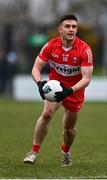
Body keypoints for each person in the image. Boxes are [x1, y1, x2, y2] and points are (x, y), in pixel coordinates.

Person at [23, 14, 94, 166]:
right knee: (47, 113)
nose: (71, 29)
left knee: (68, 129)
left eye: (74, 27)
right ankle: (33, 152)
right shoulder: (50, 45)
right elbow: (36, 67)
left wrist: (69, 91)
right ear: (60, 29)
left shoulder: (84, 50)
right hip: (55, 85)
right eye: (67, 26)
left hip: (74, 90)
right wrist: (40, 83)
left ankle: (66, 151)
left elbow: (86, 79)